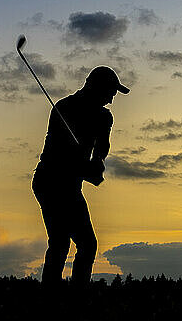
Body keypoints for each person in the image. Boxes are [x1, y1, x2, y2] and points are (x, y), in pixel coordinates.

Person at [32, 65, 129, 288]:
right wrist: (85, 170)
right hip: (50, 182)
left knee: (87, 244)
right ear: (96, 87)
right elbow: (58, 156)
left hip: (71, 186)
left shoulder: (105, 117)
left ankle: (77, 298)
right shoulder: (63, 108)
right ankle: (52, 299)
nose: (112, 100)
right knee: (60, 242)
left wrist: (98, 165)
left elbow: (102, 148)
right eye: (110, 93)